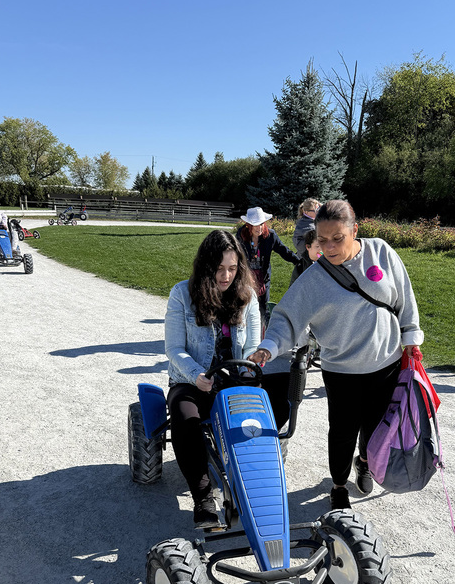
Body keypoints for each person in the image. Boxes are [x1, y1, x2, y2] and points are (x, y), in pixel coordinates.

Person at [249, 199, 424, 510]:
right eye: (322, 240)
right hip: (341, 371)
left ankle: (366, 462)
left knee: (376, 426)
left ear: (354, 230)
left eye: (338, 238)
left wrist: (411, 337)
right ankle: (339, 484)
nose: (329, 247)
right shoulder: (314, 279)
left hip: (386, 363)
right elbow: (288, 318)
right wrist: (269, 346)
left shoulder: (381, 252)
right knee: (342, 431)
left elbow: (404, 298)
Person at [165, 229, 290, 529]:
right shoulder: (182, 294)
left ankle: (252, 471)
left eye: (232, 269)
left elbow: (250, 346)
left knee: (282, 395)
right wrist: (197, 376)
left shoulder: (246, 296)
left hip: (234, 378)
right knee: (185, 417)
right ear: (206, 267)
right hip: (192, 380)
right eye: (219, 269)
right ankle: (204, 497)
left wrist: (249, 366)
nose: (226, 276)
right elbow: (174, 349)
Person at [235, 207, 301, 325]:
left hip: (262, 277)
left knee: (263, 308)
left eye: (261, 224)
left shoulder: (270, 236)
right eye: (255, 225)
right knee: (244, 305)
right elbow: (236, 255)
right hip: (246, 276)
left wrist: (299, 261)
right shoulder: (241, 235)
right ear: (248, 225)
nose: (259, 228)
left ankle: (264, 333)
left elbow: (283, 250)